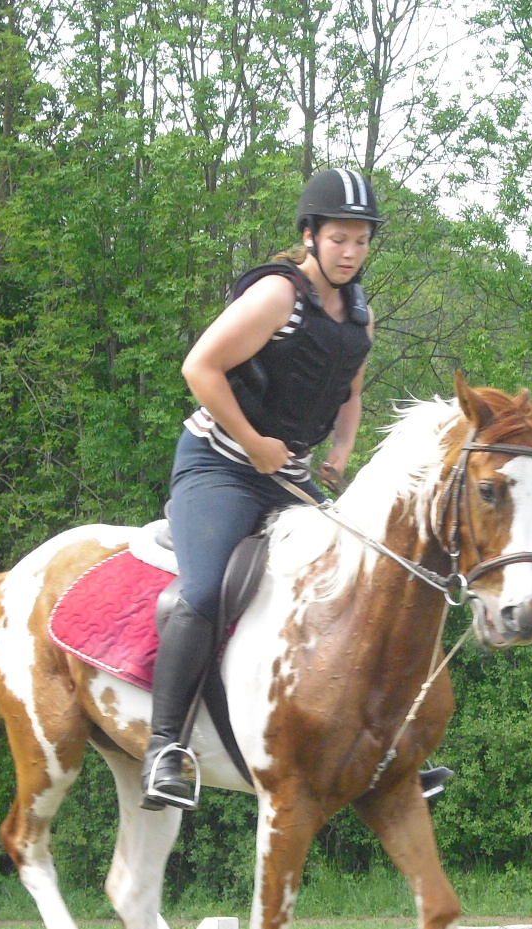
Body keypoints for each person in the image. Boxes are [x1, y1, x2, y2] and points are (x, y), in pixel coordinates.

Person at [141, 168, 380, 811]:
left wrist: (341, 449)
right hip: (219, 464)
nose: (351, 252)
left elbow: (351, 391)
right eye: (338, 239)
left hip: (290, 480)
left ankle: (385, 740)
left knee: (362, 579)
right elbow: (200, 366)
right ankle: (165, 748)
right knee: (205, 589)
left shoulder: (360, 315)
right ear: (309, 235)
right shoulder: (278, 295)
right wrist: (253, 442)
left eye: (361, 240)